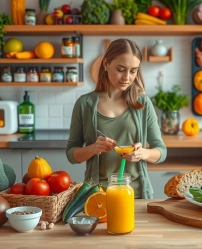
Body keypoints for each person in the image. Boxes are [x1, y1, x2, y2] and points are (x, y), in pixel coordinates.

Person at [66, 38, 167, 199]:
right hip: (97, 195)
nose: (127, 77)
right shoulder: (84, 104)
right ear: (106, 64)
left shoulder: (143, 103)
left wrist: (142, 153)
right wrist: (93, 148)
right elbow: (71, 154)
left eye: (133, 71)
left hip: (136, 195)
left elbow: (161, 151)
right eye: (121, 69)